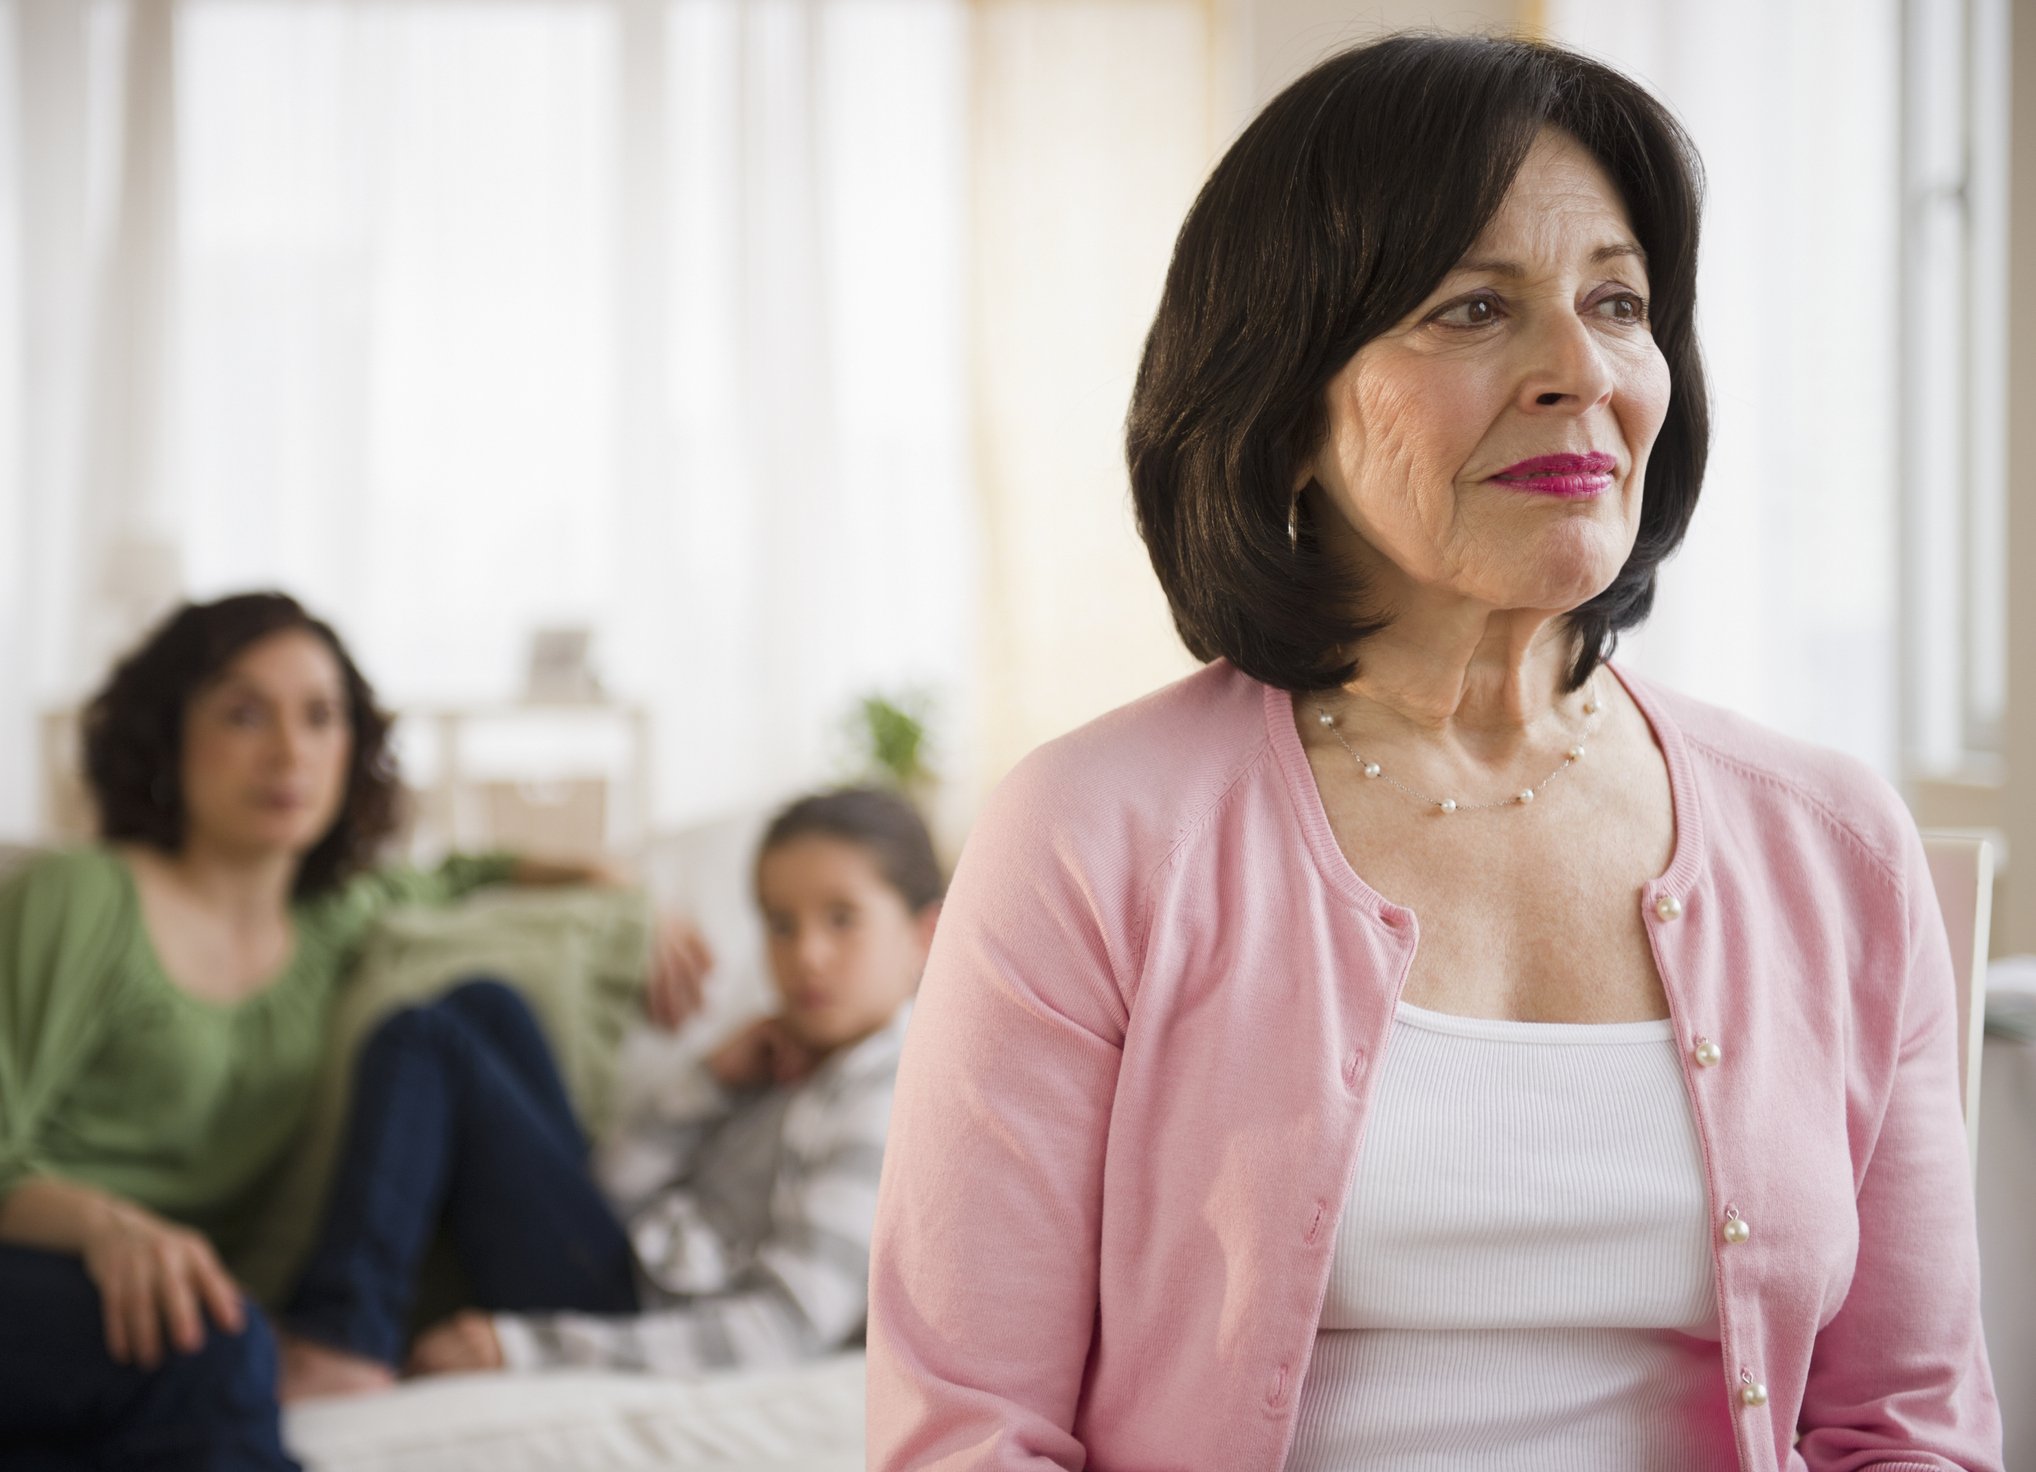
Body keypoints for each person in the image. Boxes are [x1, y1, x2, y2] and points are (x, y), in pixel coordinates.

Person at [865, 33, 2002, 1472]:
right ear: (1281, 411)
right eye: (1473, 308)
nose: (1577, 371)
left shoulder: (1833, 844)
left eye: (1616, 300)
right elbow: (973, 1434)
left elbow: (1907, 1426)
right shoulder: (1089, 836)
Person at [0, 591, 707, 1470]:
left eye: (321, 717)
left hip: (181, 1311)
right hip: (49, 1263)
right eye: (244, 713)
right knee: (213, 1351)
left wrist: (614, 880)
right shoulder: (82, 898)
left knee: (469, 1012)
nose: (289, 752)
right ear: (170, 732)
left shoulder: (339, 921)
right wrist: (105, 1228)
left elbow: (462, 873)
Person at [279, 784, 939, 1389]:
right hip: (618, 1256)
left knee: (422, 1040)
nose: (806, 957)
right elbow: (610, 1190)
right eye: (780, 923)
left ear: (925, 935)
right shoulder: (787, 1056)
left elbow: (782, 1332)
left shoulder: (883, 1099)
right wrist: (709, 1081)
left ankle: (342, 1335)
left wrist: (520, 1348)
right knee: (488, 1006)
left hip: (631, 1310)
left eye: (842, 919)